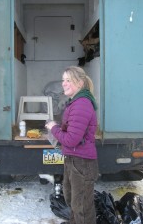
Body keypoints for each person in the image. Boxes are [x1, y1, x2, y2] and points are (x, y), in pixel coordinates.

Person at [45, 66, 99, 224]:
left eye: (68, 80)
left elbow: (71, 140)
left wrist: (53, 128)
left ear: (80, 83)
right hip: (73, 159)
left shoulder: (81, 104)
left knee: (81, 206)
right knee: (72, 200)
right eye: (63, 80)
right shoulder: (76, 102)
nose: (64, 83)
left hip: (81, 162)